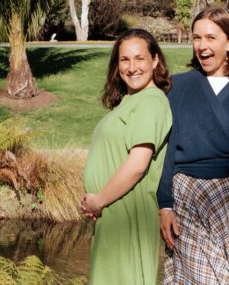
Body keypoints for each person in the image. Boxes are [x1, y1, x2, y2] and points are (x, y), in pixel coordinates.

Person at [158, 7, 229, 285]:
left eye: (210, 37)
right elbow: (166, 152)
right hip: (187, 199)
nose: (202, 46)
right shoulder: (178, 87)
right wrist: (165, 206)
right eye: (196, 38)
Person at [81, 29, 172, 285]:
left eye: (139, 58)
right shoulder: (131, 101)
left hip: (126, 213)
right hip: (113, 211)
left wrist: (98, 200)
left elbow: (137, 164)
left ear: (155, 61)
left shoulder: (151, 102)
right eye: (124, 60)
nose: (132, 68)